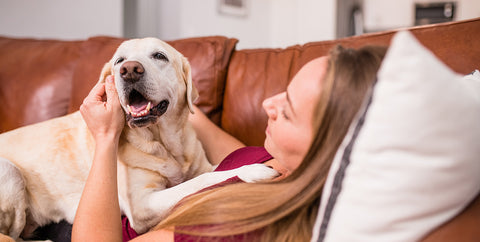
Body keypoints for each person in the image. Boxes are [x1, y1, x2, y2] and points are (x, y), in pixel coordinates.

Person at [72, 44, 387, 242]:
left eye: (287, 110)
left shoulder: (235, 228)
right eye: (284, 91)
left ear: (324, 148)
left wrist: (105, 136)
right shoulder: (272, 157)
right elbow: (192, 116)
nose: (267, 104)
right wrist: (152, 88)